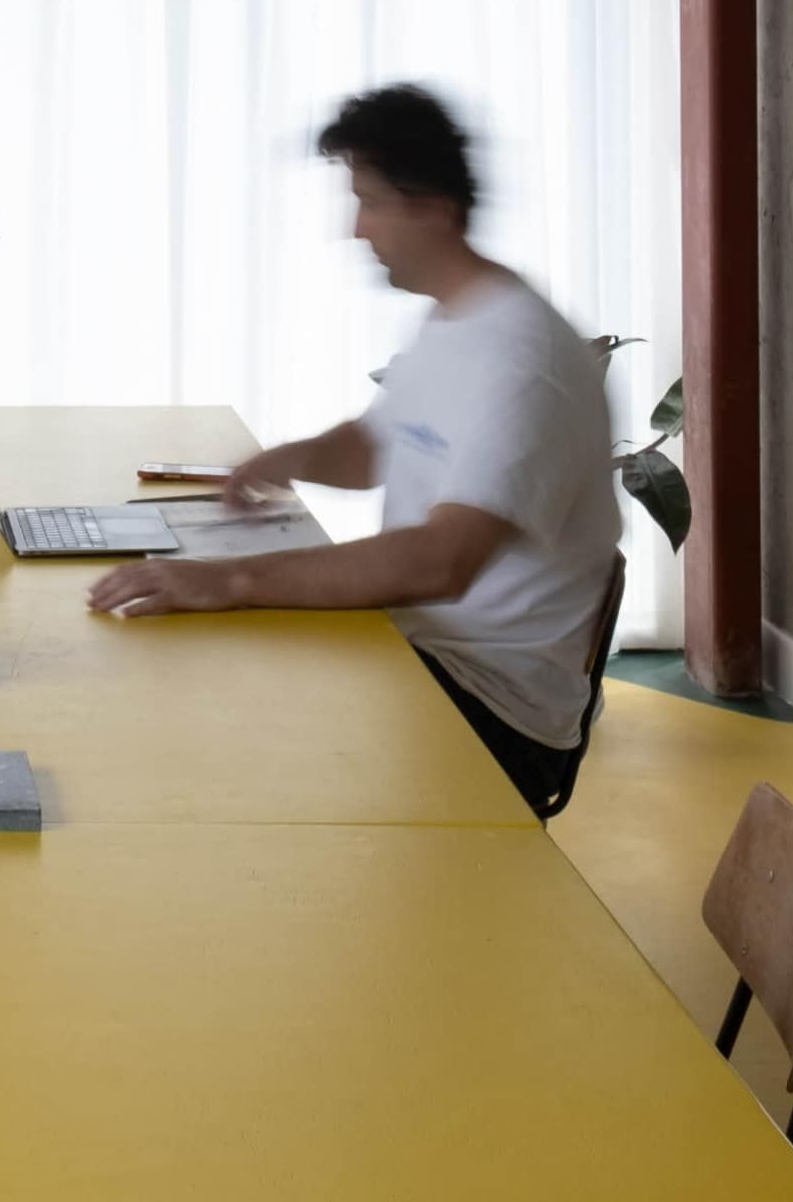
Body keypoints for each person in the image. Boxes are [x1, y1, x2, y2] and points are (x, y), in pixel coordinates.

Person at [86, 84, 623, 811]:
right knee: (197, 689)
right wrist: (284, 459)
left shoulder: (527, 361)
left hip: (491, 710)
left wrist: (228, 580)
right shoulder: (456, 321)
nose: (357, 228)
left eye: (369, 201)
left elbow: (440, 560)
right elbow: (377, 446)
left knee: (221, 723)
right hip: (419, 649)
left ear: (433, 206)